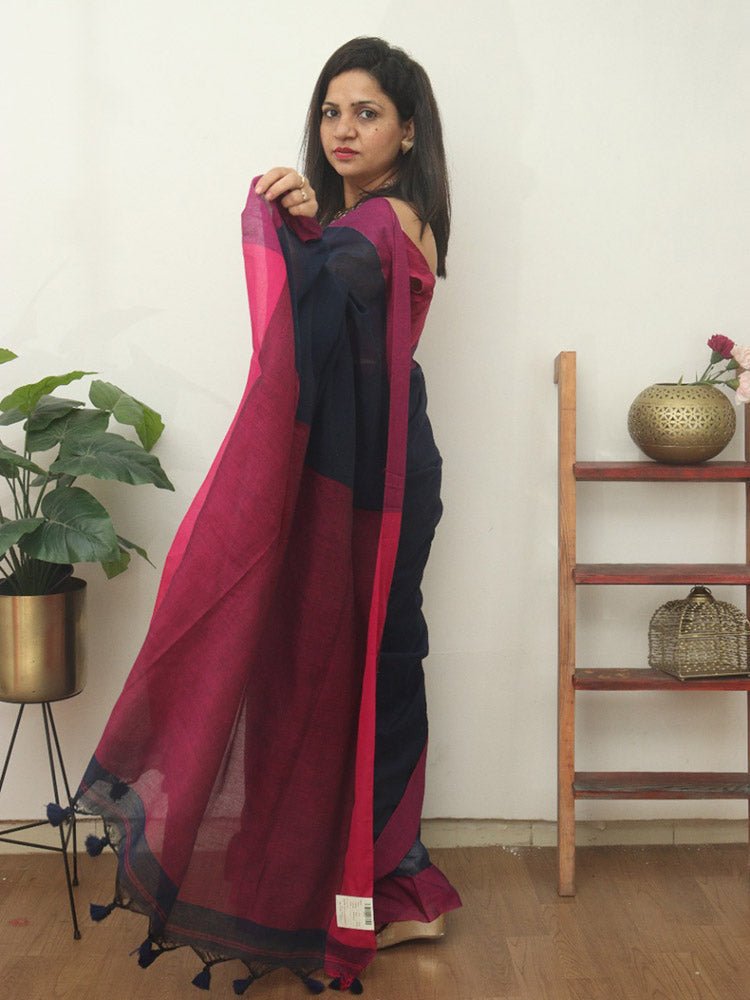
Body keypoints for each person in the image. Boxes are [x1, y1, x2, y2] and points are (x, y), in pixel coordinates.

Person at [72, 36, 460, 995]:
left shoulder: (387, 220)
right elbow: (323, 306)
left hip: (377, 481)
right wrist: (308, 226)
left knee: (370, 663)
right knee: (359, 660)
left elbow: (321, 292)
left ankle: (387, 886)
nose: (343, 129)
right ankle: (378, 880)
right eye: (331, 111)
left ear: (409, 131)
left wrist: (294, 229)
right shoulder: (367, 222)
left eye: (366, 112)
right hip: (374, 468)